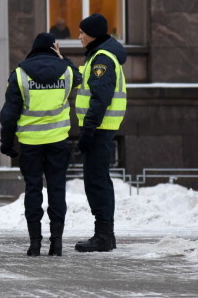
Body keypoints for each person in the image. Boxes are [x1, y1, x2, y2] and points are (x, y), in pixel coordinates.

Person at [0, 32, 81, 256]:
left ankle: (35, 243)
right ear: (52, 49)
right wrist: (63, 58)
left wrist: (7, 143)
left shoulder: (19, 74)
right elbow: (79, 77)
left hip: (30, 143)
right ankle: (57, 243)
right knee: (57, 189)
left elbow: (9, 114)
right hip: (58, 141)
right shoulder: (66, 72)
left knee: (33, 190)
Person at [74, 13, 127, 252]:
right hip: (101, 129)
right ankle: (104, 234)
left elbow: (99, 99)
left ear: (92, 34)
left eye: (82, 32)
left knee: (97, 182)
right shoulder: (99, 55)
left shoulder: (102, 59)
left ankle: (104, 236)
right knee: (97, 180)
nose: (79, 36)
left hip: (99, 129)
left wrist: (88, 130)